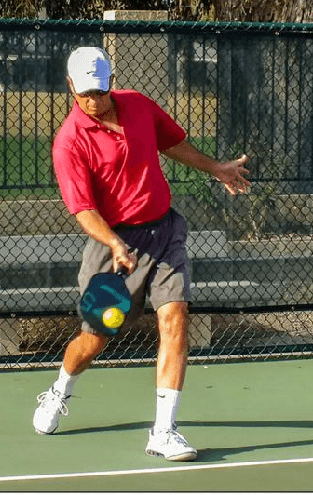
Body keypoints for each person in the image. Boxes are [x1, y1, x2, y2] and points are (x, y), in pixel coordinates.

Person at [32, 46, 250, 462]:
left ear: (111, 83)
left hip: (165, 231)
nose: (93, 101)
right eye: (84, 94)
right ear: (70, 87)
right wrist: (114, 243)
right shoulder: (70, 142)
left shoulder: (138, 106)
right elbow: (83, 209)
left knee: (175, 316)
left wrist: (217, 168)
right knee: (94, 338)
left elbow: (174, 144)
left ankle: (164, 430)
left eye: (99, 90)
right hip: (113, 244)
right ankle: (61, 388)